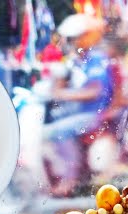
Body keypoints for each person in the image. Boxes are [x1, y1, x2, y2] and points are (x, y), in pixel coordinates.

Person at [42, 13, 112, 195]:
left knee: (58, 131)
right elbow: (61, 81)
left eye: (75, 38)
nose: (72, 42)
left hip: (93, 115)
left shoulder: (96, 59)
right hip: (77, 113)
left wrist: (63, 94)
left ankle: (70, 179)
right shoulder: (79, 60)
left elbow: (94, 91)